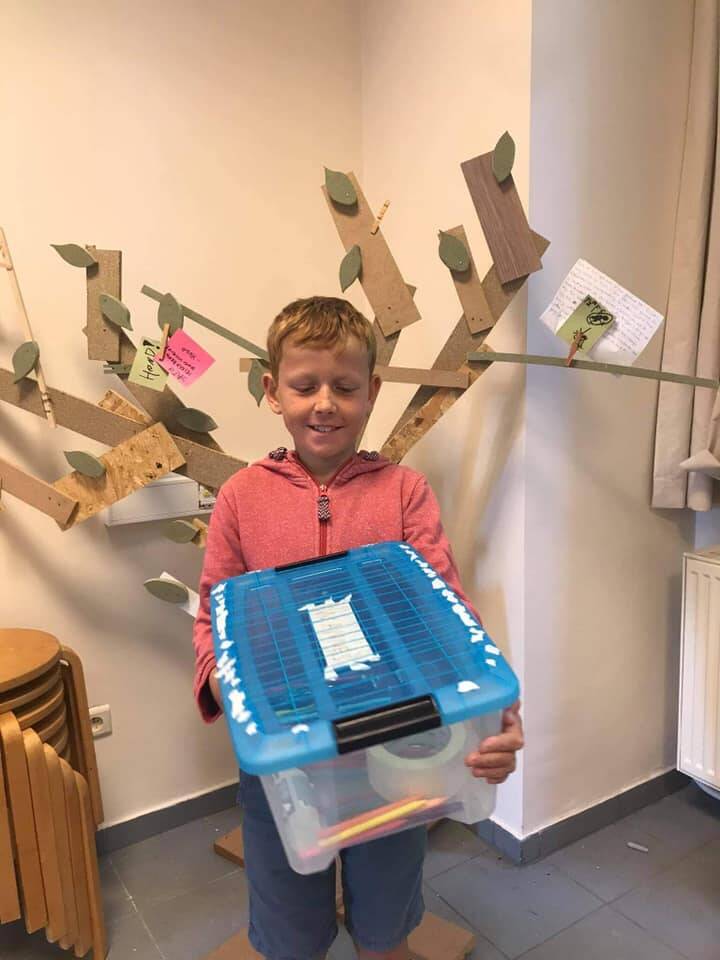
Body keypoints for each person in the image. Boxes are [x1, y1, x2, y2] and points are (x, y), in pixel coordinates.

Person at [192, 296, 524, 960]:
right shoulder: (240, 498)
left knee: (385, 926)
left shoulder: (404, 492)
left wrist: (496, 716)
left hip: (393, 744)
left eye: (345, 387)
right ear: (272, 391)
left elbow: (449, 614)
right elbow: (214, 616)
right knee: (290, 932)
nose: (325, 403)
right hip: (285, 755)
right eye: (305, 385)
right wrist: (226, 687)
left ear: (371, 391)